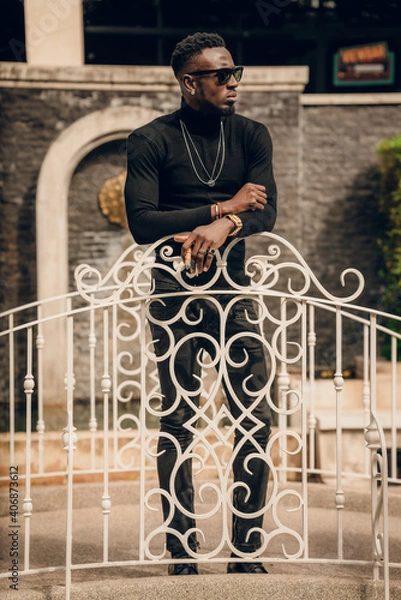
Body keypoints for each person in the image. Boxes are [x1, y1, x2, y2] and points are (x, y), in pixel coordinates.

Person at [124, 31, 277, 576]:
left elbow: (267, 212)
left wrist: (225, 224)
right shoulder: (149, 140)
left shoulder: (252, 135)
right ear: (190, 82)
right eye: (221, 75)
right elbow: (142, 222)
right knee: (179, 421)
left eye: (236, 72)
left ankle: (247, 549)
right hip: (173, 296)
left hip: (234, 296)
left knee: (256, 417)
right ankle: (182, 550)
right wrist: (223, 203)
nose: (233, 82)